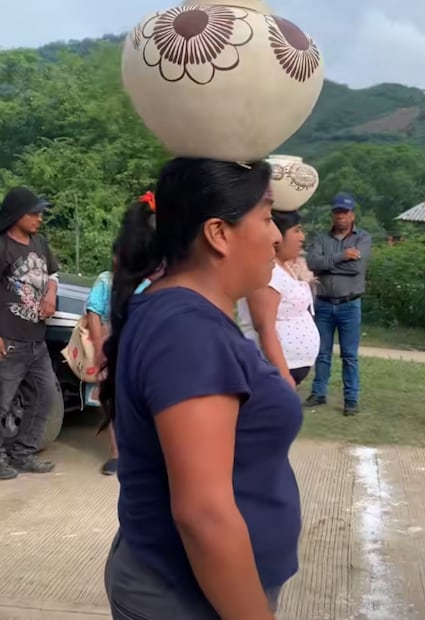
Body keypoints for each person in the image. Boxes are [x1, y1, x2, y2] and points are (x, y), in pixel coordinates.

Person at [100, 159, 301, 617]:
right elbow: (203, 514)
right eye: (267, 216)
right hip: (190, 597)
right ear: (218, 233)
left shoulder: (179, 311)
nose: (276, 235)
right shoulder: (188, 332)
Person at [84, 230, 157, 477]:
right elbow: (94, 311)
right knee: (113, 402)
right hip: (111, 346)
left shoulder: (148, 282)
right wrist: (98, 345)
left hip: (138, 348)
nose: (119, 259)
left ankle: (142, 451)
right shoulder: (105, 281)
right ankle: (116, 454)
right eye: (117, 254)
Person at [0, 187, 59, 480]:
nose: (39, 218)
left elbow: (54, 274)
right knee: (2, 400)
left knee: (45, 395)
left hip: (37, 340)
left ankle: (22, 454)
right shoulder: (2, 246)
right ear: (15, 215)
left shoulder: (39, 242)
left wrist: (50, 292)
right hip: (8, 339)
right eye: (33, 213)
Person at [305, 192, 372, 414]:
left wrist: (327, 264)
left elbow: (356, 269)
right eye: (337, 212)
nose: (340, 216)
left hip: (349, 304)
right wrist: (343, 256)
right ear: (332, 214)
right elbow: (313, 263)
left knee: (349, 355)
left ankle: (351, 399)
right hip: (323, 303)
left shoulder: (363, 238)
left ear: (352, 215)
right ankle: (318, 393)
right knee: (322, 352)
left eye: (344, 212)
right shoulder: (320, 238)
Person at [238, 209, 320, 388]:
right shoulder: (268, 273)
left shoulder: (285, 267)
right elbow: (265, 328)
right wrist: (284, 377)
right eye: (297, 230)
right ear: (276, 234)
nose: (302, 237)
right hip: (272, 372)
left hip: (291, 368)